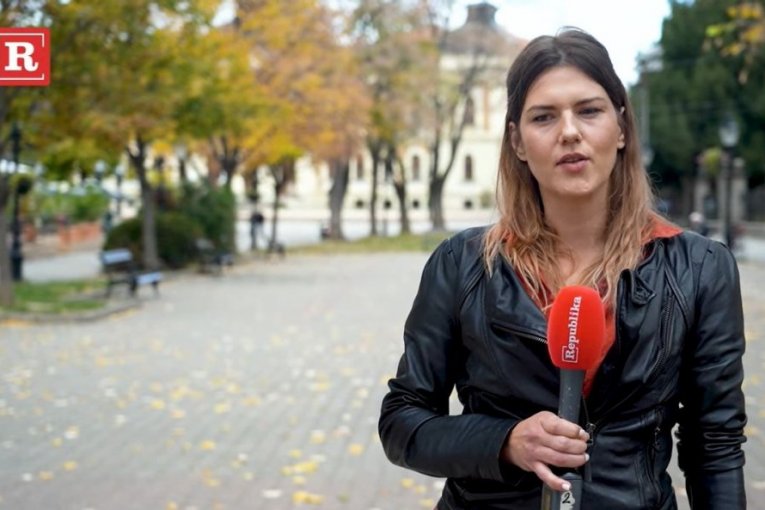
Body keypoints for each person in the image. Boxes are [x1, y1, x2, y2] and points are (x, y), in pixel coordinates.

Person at [379, 28, 746, 509]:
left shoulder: (699, 268)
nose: (569, 132)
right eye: (544, 117)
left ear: (621, 127)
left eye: (589, 111)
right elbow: (402, 421)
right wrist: (504, 442)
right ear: (517, 142)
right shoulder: (462, 264)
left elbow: (714, 445)